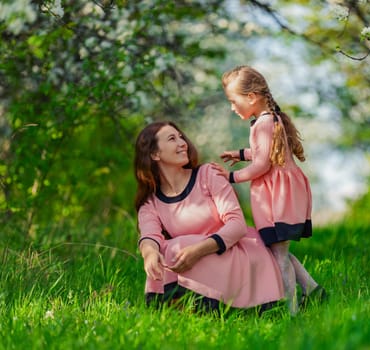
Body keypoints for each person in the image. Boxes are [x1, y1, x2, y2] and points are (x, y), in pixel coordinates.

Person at [134, 120, 284, 313]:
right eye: (172, 139)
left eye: (181, 137)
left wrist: (198, 250)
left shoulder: (207, 174)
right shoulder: (150, 201)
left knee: (175, 246)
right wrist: (150, 254)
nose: (182, 143)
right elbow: (149, 235)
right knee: (164, 249)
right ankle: (178, 308)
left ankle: (207, 306)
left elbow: (237, 224)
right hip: (192, 260)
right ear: (154, 154)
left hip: (232, 252)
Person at [211, 65, 326, 315]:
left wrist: (231, 177)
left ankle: (291, 311)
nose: (232, 108)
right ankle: (314, 292)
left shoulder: (264, 123)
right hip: (282, 192)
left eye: (233, 101)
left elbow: (262, 164)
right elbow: (268, 153)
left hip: (277, 197)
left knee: (278, 254)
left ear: (251, 97)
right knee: (278, 249)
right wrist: (241, 154)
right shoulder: (268, 119)